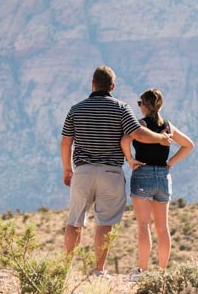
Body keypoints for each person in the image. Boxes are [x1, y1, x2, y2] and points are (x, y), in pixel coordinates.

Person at [61, 66, 172, 277]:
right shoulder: (121, 108)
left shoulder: (76, 109)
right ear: (112, 86)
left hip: (82, 171)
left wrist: (67, 169)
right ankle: (98, 271)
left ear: (92, 84)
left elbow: (66, 141)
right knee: (105, 222)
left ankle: (65, 270)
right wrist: (160, 138)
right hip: (111, 173)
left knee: (75, 220)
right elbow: (138, 133)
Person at [121, 88, 194, 279]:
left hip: (143, 174)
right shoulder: (168, 126)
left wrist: (130, 159)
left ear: (145, 105)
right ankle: (162, 271)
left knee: (144, 225)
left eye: (140, 104)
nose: (139, 107)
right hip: (163, 177)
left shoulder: (140, 124)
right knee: (163, 228)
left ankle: (142, 272)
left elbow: (124, 140)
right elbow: (188, 145)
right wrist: (171, 162)